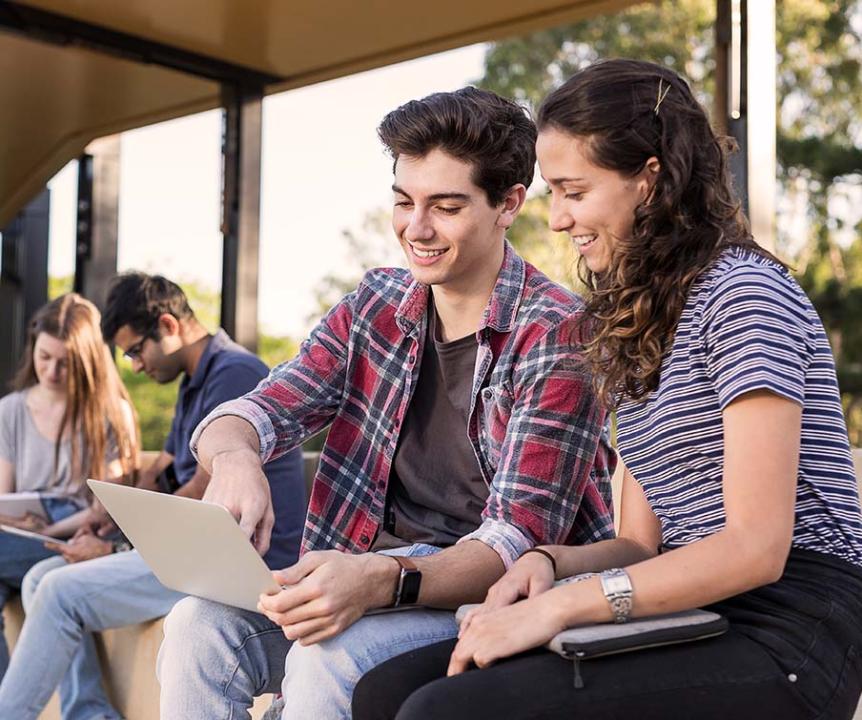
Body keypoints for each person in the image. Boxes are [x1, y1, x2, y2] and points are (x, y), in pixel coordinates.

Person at [351, 58, 862, 720]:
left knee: (444, 712)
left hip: (795, 622)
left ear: (649, 180)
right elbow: (637, 548)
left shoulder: (743, 295)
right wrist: (549, 564)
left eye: (573, 190)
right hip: (687, 605)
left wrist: (564, 604)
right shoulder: (632, 319)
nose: (557, 219)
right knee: (385, 691)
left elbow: (756, 549)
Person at [156, 87, 616, 720]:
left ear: (509, 202)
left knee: (327, 655)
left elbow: (514, 544)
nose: (416, 229)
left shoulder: (559, 331)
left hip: (480, 602)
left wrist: (381, 578)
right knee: (198, 625)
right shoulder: (375, 305)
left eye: (446, 206)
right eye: (404, 202)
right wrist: (237, 460)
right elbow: (258, 410)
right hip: (362, 576)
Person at [0, 273, 307, 720]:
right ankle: (88, 712)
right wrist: (109, 515)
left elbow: (202, 491)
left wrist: (114, 545)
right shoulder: (193, 382)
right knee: (37, 578)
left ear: (167, 326)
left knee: (58, 592)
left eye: (135, 351)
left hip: (238, 562)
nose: (134, 366)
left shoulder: (234, 373)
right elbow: (163, 471)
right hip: (194, 552)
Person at [0, 293, 138, 678]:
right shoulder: (10, 411)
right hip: (19, 532)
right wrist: (18, 524)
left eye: (65, 363)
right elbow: (5, 495)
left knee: (52, 586)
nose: (52, 371)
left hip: (81, 531)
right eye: (44, 358)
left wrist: (48, 530)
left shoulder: (110, 412)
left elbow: (109, 507)